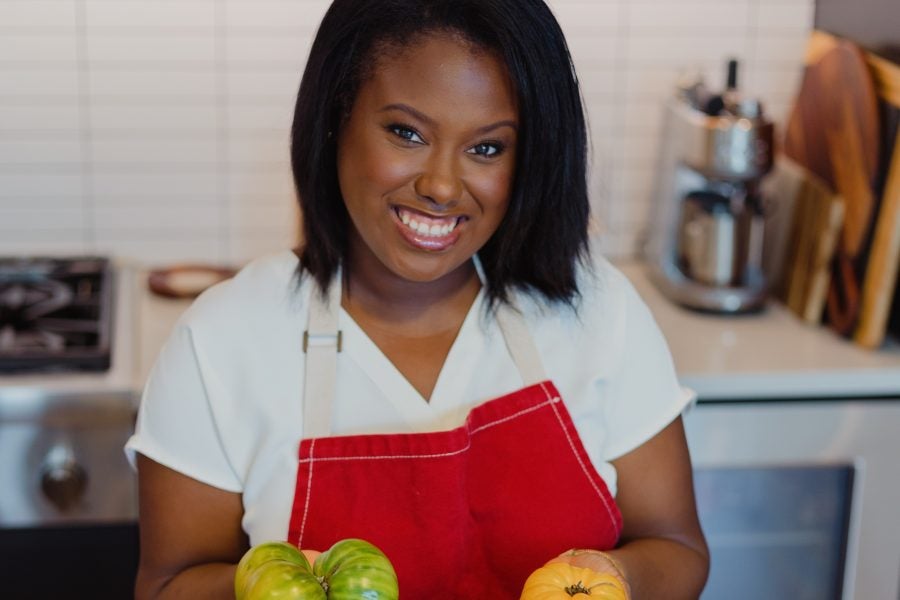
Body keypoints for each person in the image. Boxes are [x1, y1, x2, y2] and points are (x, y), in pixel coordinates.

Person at [126, 0, 710, 598]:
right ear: (335, 121)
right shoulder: (221, 341)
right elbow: (169, 583)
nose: (440, 186)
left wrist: (613, 579)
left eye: (487, 148)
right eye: (406, 133)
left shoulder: (599, 312)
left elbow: (677, 549)